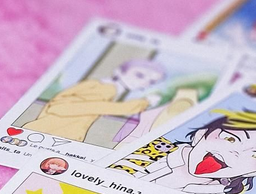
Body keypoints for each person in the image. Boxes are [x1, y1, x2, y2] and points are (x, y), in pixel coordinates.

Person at [23, 59, 166, 142]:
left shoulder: (110, 90)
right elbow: (60, 107)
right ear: (119, 71)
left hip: (57, 138)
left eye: (151, 81)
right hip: (44, 132)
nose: (144, 82)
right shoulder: (104, 88)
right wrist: (143, 102)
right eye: (139, 75)